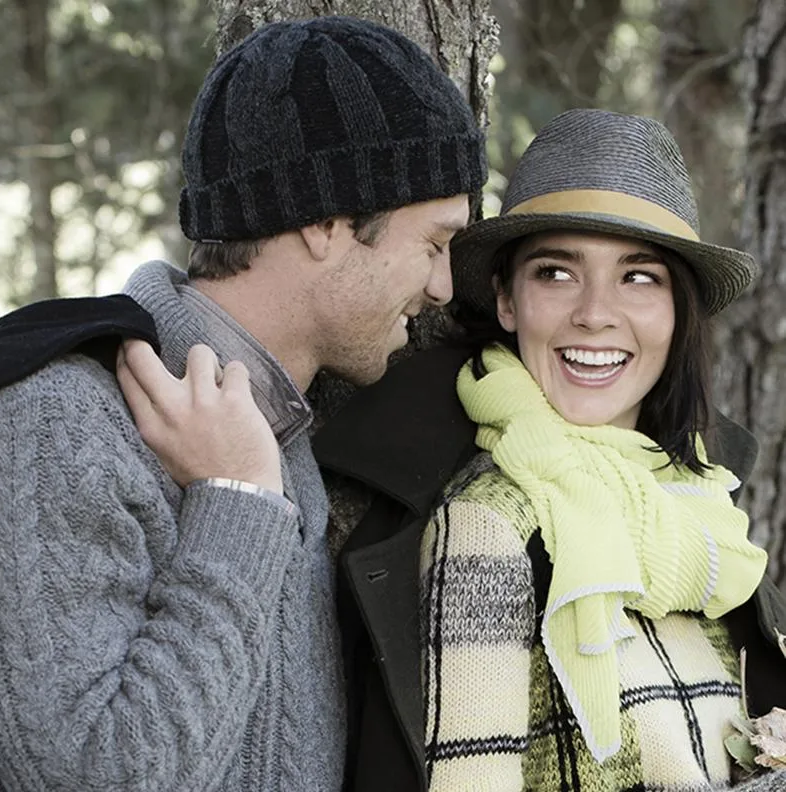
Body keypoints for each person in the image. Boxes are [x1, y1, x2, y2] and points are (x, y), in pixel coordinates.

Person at [0, 15, 486, 792]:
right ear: (326, 222)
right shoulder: (50, 418)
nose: (440, 288)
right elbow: (93, 776)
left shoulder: (280, 431)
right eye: (433, 245)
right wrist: (237, 504)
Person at [314, 108, 786, 791]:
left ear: (680, 310)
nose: (595, 312)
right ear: (507, 301)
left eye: (639, 277)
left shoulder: (701, 505)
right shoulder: (491, 525)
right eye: (557, 274)